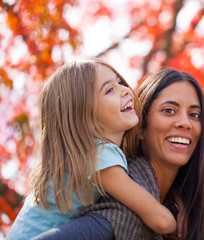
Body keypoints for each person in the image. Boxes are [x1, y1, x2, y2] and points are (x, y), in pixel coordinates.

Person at [6, 59, 177, 240]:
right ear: (84, 115)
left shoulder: (85, 156)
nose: (126, 90)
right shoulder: (100, 157)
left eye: (119, 82)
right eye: (109, 90)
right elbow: (159, 219)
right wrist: (178, 223)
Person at [33, 68, 204, 240]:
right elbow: (160, 221)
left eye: (194, 114)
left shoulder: (173, 203)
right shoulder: (122, 213)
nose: (185, 123)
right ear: (140, 127)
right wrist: (173, 223)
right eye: (169, 110)